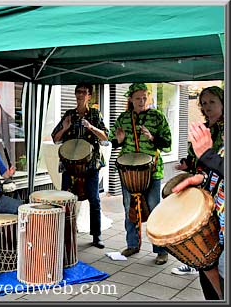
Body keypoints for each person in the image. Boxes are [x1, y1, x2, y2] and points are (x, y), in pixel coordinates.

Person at [109, 83, 171, 265]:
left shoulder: (157, 117)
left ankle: (161, 250)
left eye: (145, 97)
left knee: (154, 209)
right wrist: (118, 141)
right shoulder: (123, 118)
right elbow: (112, 141)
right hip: (128, 171)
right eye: (138, 98)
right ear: (130, 99)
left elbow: (168, 144)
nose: (142, 101)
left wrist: (152, 138)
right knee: (130, 207)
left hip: (152, 170)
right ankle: (132, 244)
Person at [172, 85, 224, 276]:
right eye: (204, 103)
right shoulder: (203, 128)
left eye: (212, 102)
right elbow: (196, 157)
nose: (207, 106)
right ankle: (198, 261)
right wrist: (187, 164)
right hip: (203, 183)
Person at [51, 83, 109, 249]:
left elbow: (105, 138)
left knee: (94, 200)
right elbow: (56, 138)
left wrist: (91, 127)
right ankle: (64, 232)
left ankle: (96, 235)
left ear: (89, 96)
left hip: (91, 164)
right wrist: (65, 128)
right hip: (69, 166)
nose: (80, 95)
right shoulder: (69, 114)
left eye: (84, 92)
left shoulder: (95, 114)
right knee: (65, 201)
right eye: (78, 92)